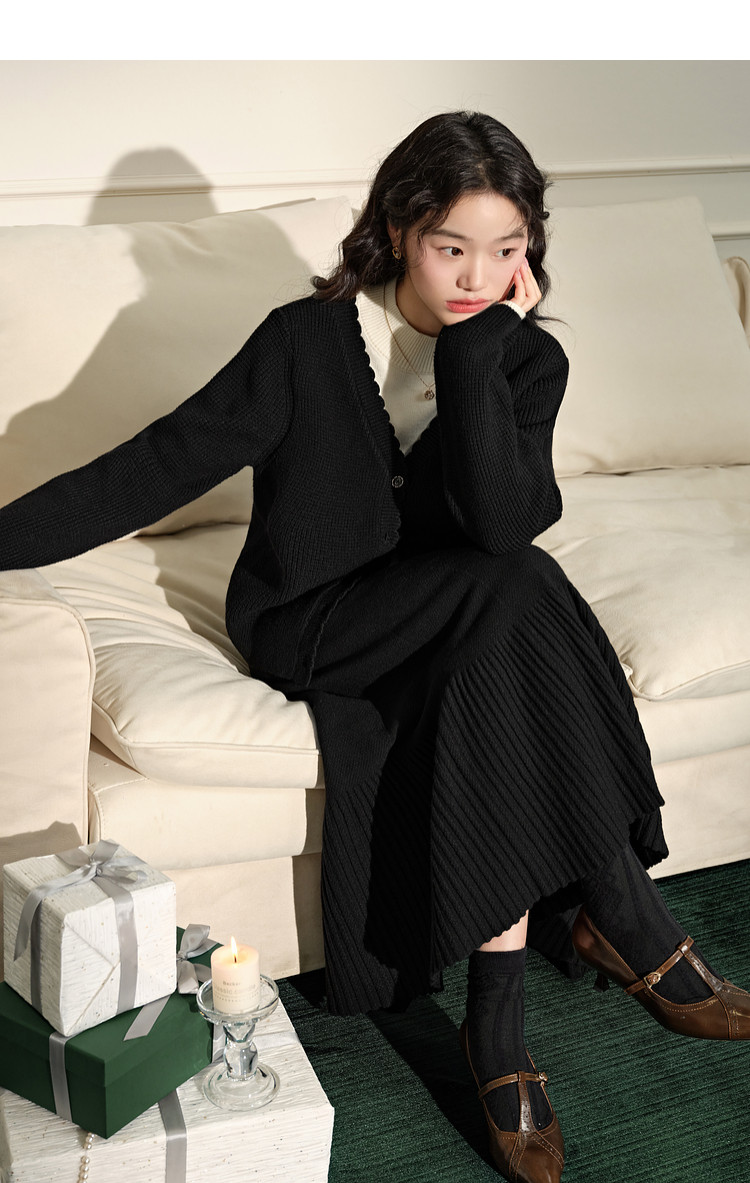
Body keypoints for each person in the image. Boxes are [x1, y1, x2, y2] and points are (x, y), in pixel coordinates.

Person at [1, 111, 749, 1183]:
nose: (478, 276)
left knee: (500, 630)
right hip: (315, 621)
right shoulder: (304, 342)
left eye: (505, 248)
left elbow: (502, 520)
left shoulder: (522, 359)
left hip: (458, 621)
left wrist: (477, 356)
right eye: (452, 247)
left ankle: (497, 1022)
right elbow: (154, 465)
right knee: (521, 590)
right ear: (400, 229)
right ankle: (621, 912)